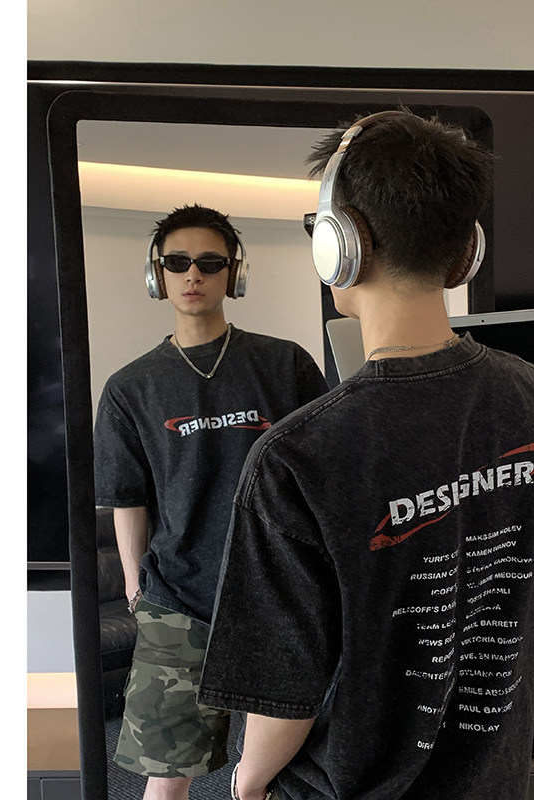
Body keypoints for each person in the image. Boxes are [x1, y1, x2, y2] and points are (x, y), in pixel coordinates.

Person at [198, 109, 534, 800]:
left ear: (342, 245)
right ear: (464, 252)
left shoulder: (297, 457)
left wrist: (247, 782)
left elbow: (286, 692)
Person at [93, 203, 328, 800]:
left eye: (209, 262)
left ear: (233, 273)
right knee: (166, 773)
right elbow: (127, 497)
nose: (192, 274)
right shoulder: (130, 387)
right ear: (158, 275)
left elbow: (324, 475)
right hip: (179, 596)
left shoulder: (285, 364)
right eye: (177, 263)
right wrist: (135, 587)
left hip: (278, 590)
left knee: (266, 777)